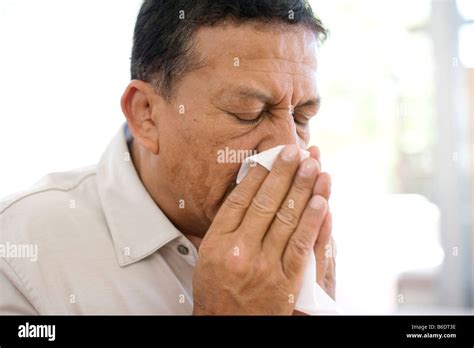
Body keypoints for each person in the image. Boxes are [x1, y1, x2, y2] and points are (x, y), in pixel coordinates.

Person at [0, 0, 335, 315]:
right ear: (146, 114)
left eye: (302, 118)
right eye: (248, 113)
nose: (290, 150)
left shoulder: (309, 243)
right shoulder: (19, 251)